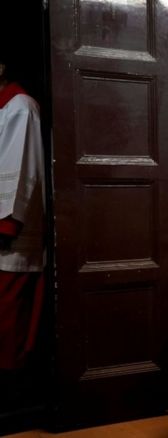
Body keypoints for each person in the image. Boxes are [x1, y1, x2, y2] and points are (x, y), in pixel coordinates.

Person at [0, 54, 45, 373]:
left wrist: (5, 225)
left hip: (9, 237)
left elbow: (19, 168)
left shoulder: (20, 106)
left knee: (9, 318)